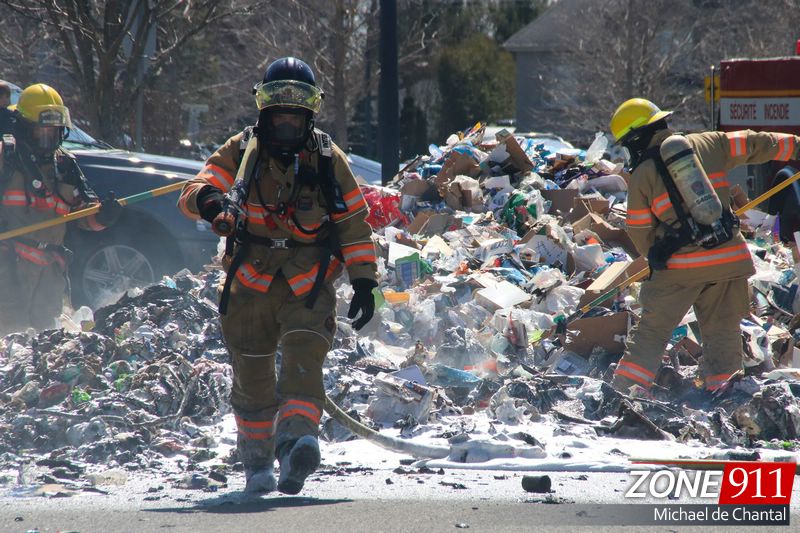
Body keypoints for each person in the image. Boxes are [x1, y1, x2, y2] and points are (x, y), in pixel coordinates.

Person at [177, 57, 378, 495]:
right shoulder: (241, 150)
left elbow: (353, 223)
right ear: (265, 111)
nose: (287, 122)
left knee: (305, 360)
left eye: (295, 114)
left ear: (310, 114)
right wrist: (212, 202)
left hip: (308, 285)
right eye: (279, 113)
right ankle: (257, 464)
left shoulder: (328, 157)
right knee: (251, 376)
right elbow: (194, 191)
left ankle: (295, 446)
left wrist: (364, 280)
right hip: (249, 284)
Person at [609, 98, 800, 395]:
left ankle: (624, 392)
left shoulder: (642, 176)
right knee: (723, 332)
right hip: (729, 261)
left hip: (679, 271)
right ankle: (723, 395)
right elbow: (757, 143)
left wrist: (657, 257)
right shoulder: (710, 143)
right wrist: (797, 147)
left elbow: (641, 233)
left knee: (651, 333)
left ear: (635, 139)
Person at [0, 83, 122, 335]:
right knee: (10, 338)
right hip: (9, 267)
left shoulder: (65, 165)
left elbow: (83, 214)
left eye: (54, 131)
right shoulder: (6, 158)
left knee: (46, 338)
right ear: (24, 127)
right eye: (42, 131)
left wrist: (103, 217)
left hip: (51, 272)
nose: (49, 138)